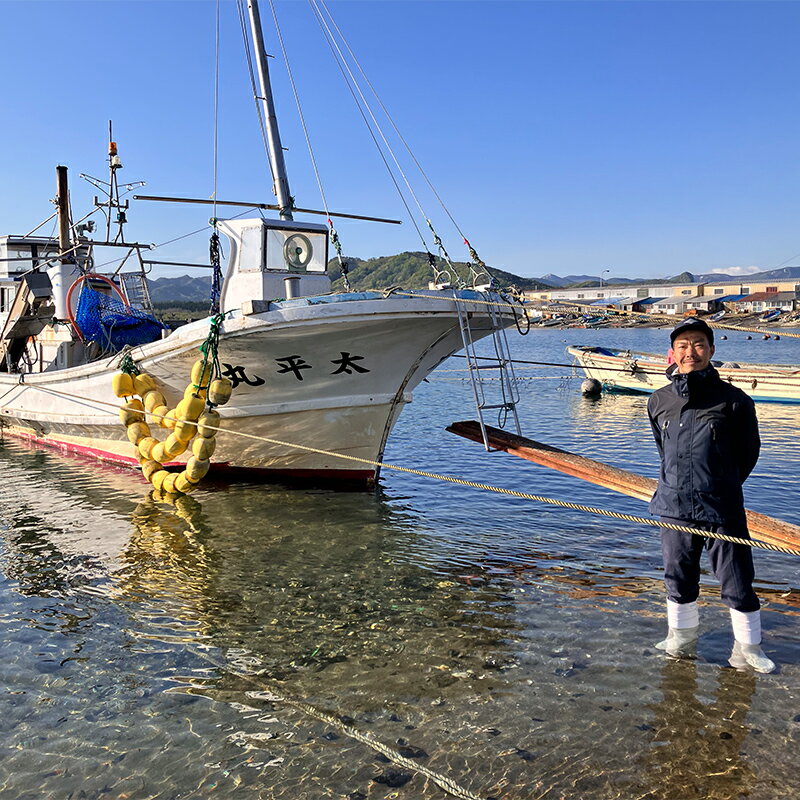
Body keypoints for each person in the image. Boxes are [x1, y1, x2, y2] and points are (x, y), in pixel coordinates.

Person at [647, 317, 775, 673]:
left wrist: (719, 484)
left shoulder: (735, 402)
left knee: (737, 580)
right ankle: (680, 639)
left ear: (712, 351)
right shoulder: (659, 400)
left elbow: (749, 454)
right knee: (678, 578)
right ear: (672, 354)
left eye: (699, 344)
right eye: (684, 346)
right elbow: (663, 451)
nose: (692, 352)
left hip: (721, 508)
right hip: (673, 506)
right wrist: (678, 484)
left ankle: (749, 649)